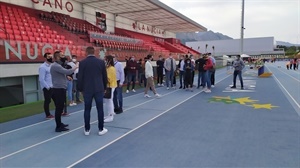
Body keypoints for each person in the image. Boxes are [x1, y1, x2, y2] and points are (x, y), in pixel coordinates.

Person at [77, 46, 108, 136]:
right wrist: (105, 87)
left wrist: (80, 89)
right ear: (94, 52)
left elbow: (80, 77)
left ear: (86, 52)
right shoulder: (101, 62)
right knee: (100, 109)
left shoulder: (82, 63)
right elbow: (104, 76)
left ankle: (87, 129)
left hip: (87, 89)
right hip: (99, 88)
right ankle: (101, 129)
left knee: (87, 109)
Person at [50, 51, 77, 132]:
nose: (64, 56)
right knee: (59, 108)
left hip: (61, 88)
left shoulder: (58, 65)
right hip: (58, 89)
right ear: (58, 57)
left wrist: (66, 77)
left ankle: (60, 123)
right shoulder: (56, 66)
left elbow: (62, 74)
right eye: (62, 55)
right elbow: (68, 71)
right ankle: (58, 126)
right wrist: (76, 67)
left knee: (61, 107)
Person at [39, 52, 54, 119]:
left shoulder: (51, 66)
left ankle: (60, 112)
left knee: (57, 100)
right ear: (45, 58)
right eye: (48, 57)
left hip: (53, 86)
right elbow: (41, 79)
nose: (50, 58)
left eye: (51, 56)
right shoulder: (42, 67)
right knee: (47, 101)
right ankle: (47, 115)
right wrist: (47, 87)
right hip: (47, 87)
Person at [104, 55, 117, 122]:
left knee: (109, 101)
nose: (104, 61)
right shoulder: (107, 68)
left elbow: (109, 78)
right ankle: (109, 114)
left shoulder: (111, 68)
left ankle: (111, 115)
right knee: (107, 101)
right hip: (108, 86)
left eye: (105, 60)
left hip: (110, 86)